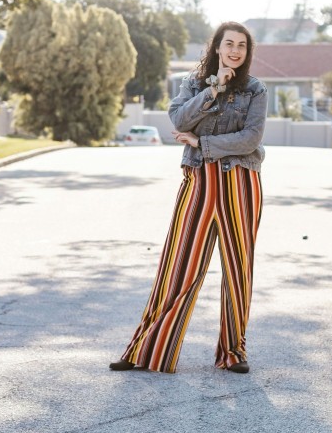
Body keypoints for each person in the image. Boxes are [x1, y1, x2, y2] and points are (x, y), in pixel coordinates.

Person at [109, 21, 268, 374]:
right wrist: (214, 90)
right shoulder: (193, 84)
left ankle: (233, 352)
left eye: (242, 46)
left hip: (240, 181)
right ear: (216, 47)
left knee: (238, 268)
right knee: (178, 265)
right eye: (229, 44)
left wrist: (203, 143)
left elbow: (251, 138)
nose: (235, 51)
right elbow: (179, 117)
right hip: (198, 180)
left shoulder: (256, 90)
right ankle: (145, 349)